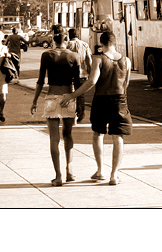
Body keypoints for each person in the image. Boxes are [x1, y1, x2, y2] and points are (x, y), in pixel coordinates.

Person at [62, 31, 132, 185]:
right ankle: (114, 175)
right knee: (118, 137)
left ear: (102, 44)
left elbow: (92, 81)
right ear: (115, 42)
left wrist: (72, 95)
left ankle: (100, 171)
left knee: (98, 134)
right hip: (120, 99)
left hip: (101, 99)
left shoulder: (98, 59)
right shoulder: (126, 61)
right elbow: (126, 84)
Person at [30, 34, 81, 186]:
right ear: (66, 41)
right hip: (68, 97)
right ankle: (70, 171)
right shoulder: (73, 55)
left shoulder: (46, 55)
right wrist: (80, 104)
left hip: (52, 97)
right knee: (68, 134)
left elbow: (40, 81)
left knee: (54, 138)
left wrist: (34, 101)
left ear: (53, 41)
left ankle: (58, 176)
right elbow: (78, 83)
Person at [66, 28, 92, 122]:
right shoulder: (85, 44)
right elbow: (89, 60)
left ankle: (71, 113)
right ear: (78, 35)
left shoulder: (67, 45)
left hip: (70, 74)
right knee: (80, 94)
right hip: (82, 74)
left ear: (69, 35)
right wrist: (90, 72)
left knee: (70, 93)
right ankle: (80, 113)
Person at [0, 31, 9, 122]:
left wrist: (8, 56)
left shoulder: (4, 48)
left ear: (1, 39)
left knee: (3, 95)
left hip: (2, 75)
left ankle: (1, 112)